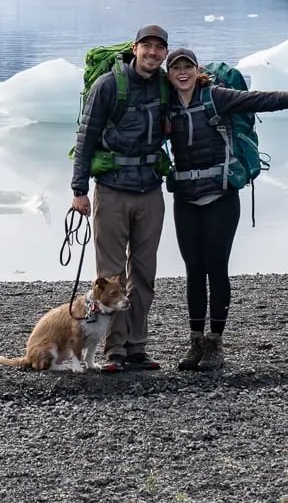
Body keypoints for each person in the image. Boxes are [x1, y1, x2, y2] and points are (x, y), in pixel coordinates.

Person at [162, 46, 288, 371]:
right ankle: (195, 342)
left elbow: (261, 100)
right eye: (176, 68)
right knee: (193, 271)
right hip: (185, 198)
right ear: (169, 74)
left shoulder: (216, 96)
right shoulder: (167, 105)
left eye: (187, 66)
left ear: (197, 69)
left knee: (215, 268)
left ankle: (215, 343)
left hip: (221, 196)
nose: (182, 72)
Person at [71, 23, 172, 372]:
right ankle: (114, 350)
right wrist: (78, 189)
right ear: (135, 48)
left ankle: (137, 347)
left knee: (144, 272)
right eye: (148, 46)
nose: (153, 53)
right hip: (112, 190)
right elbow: (87, 135)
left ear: (165, 54)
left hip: (149, 190)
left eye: (160, 49)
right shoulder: (109, 84)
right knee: (110, 274)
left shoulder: (165, 85)